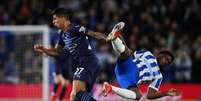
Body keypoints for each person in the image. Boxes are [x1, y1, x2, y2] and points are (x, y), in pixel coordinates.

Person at [34, 8, 107, 101]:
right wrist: (44, 49)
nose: (53, 21)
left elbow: (93, 33)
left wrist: (107, 38)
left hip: (87, 62)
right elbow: (57, 51)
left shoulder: (74, 28)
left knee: (76, 94)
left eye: (55, 18)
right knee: (75, 97)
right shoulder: (62, 34)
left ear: (63, 18)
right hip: (85, 64)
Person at [102, 22, 180, 100]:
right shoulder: (148, 54)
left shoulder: (159, 76)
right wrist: (123, 43)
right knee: (126, 53)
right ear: (160, 55)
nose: (167, 62)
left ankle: (109, 87)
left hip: (130, 80)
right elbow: (131, 54)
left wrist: (166, 93)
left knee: (138, 96)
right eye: (166, 59)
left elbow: (150, 95)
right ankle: (115, 37)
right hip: (130, 67)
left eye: (168, 62)